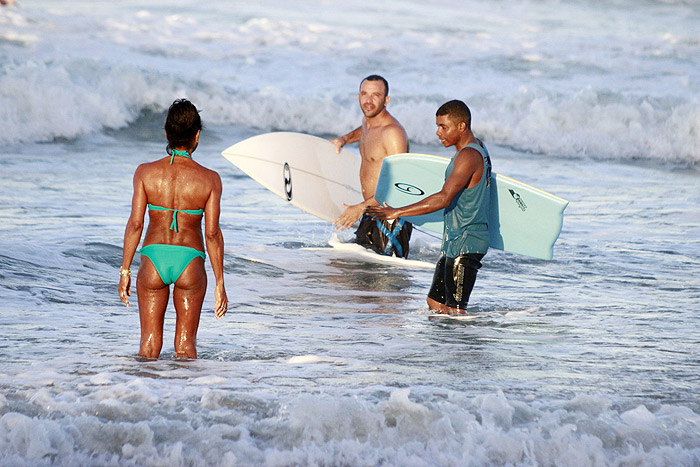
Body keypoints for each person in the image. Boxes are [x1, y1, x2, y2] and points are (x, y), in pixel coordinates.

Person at [119, 98, 228, 359]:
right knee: (185, 348)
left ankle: (140, 398)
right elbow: (211, 234)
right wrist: (220, 282)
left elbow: (136, 224)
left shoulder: (145, 173)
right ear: (197, 135)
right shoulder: (210, 179)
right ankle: (186, 400)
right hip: (189, 261)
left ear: (167, 133)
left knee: (148, 347)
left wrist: (125, 270)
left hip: (153, 261)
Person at [366, 100, 491, 314]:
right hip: (454, 241)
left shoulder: (469, 156)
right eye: (437, 126)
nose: (438, 132)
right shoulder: (474, 147)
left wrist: (396, 212)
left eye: (443, 127)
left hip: (467, 243)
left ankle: (466, 347)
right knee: (435, 304)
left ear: (462, 127)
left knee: (456, 314)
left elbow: (443, 198)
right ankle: (438, 347)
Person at [331, 74, 413, 258]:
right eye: (364, 94)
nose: (369, 100)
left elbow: (399, 185)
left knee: (384, 282)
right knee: (354, 274)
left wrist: (360, 207)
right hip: (371, 211)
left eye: (376, 95)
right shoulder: (368, 122)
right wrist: (344, 139)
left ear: (386, 100)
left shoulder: (393, 133)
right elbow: (365, 131)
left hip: (390, 217)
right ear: (358, 96)